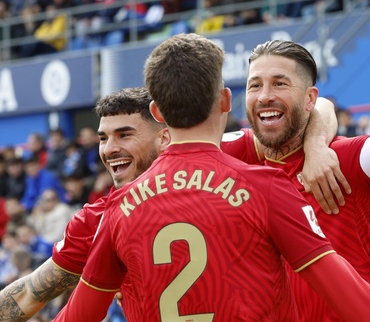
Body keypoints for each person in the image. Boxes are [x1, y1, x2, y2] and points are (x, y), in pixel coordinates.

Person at [54, 34, 370, 321]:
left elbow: (79, 314)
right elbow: (354, 299)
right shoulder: (265, 187)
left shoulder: (119, 207)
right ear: (226, 101)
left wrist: (316, 141)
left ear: (157, 112)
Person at [0, 89, 342, 317]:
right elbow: (30, 293)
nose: (109, 149)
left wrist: (314, 148)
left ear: (165, 136)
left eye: (125, 135)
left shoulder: (221, 155)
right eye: (104, 138)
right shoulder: (98, 218)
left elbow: (318, 108)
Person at [237, 0, 370, 320]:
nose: (264, 96)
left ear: (309, 98)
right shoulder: (233, 163)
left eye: (280, 84)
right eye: (254, 85)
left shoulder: (349, 161)